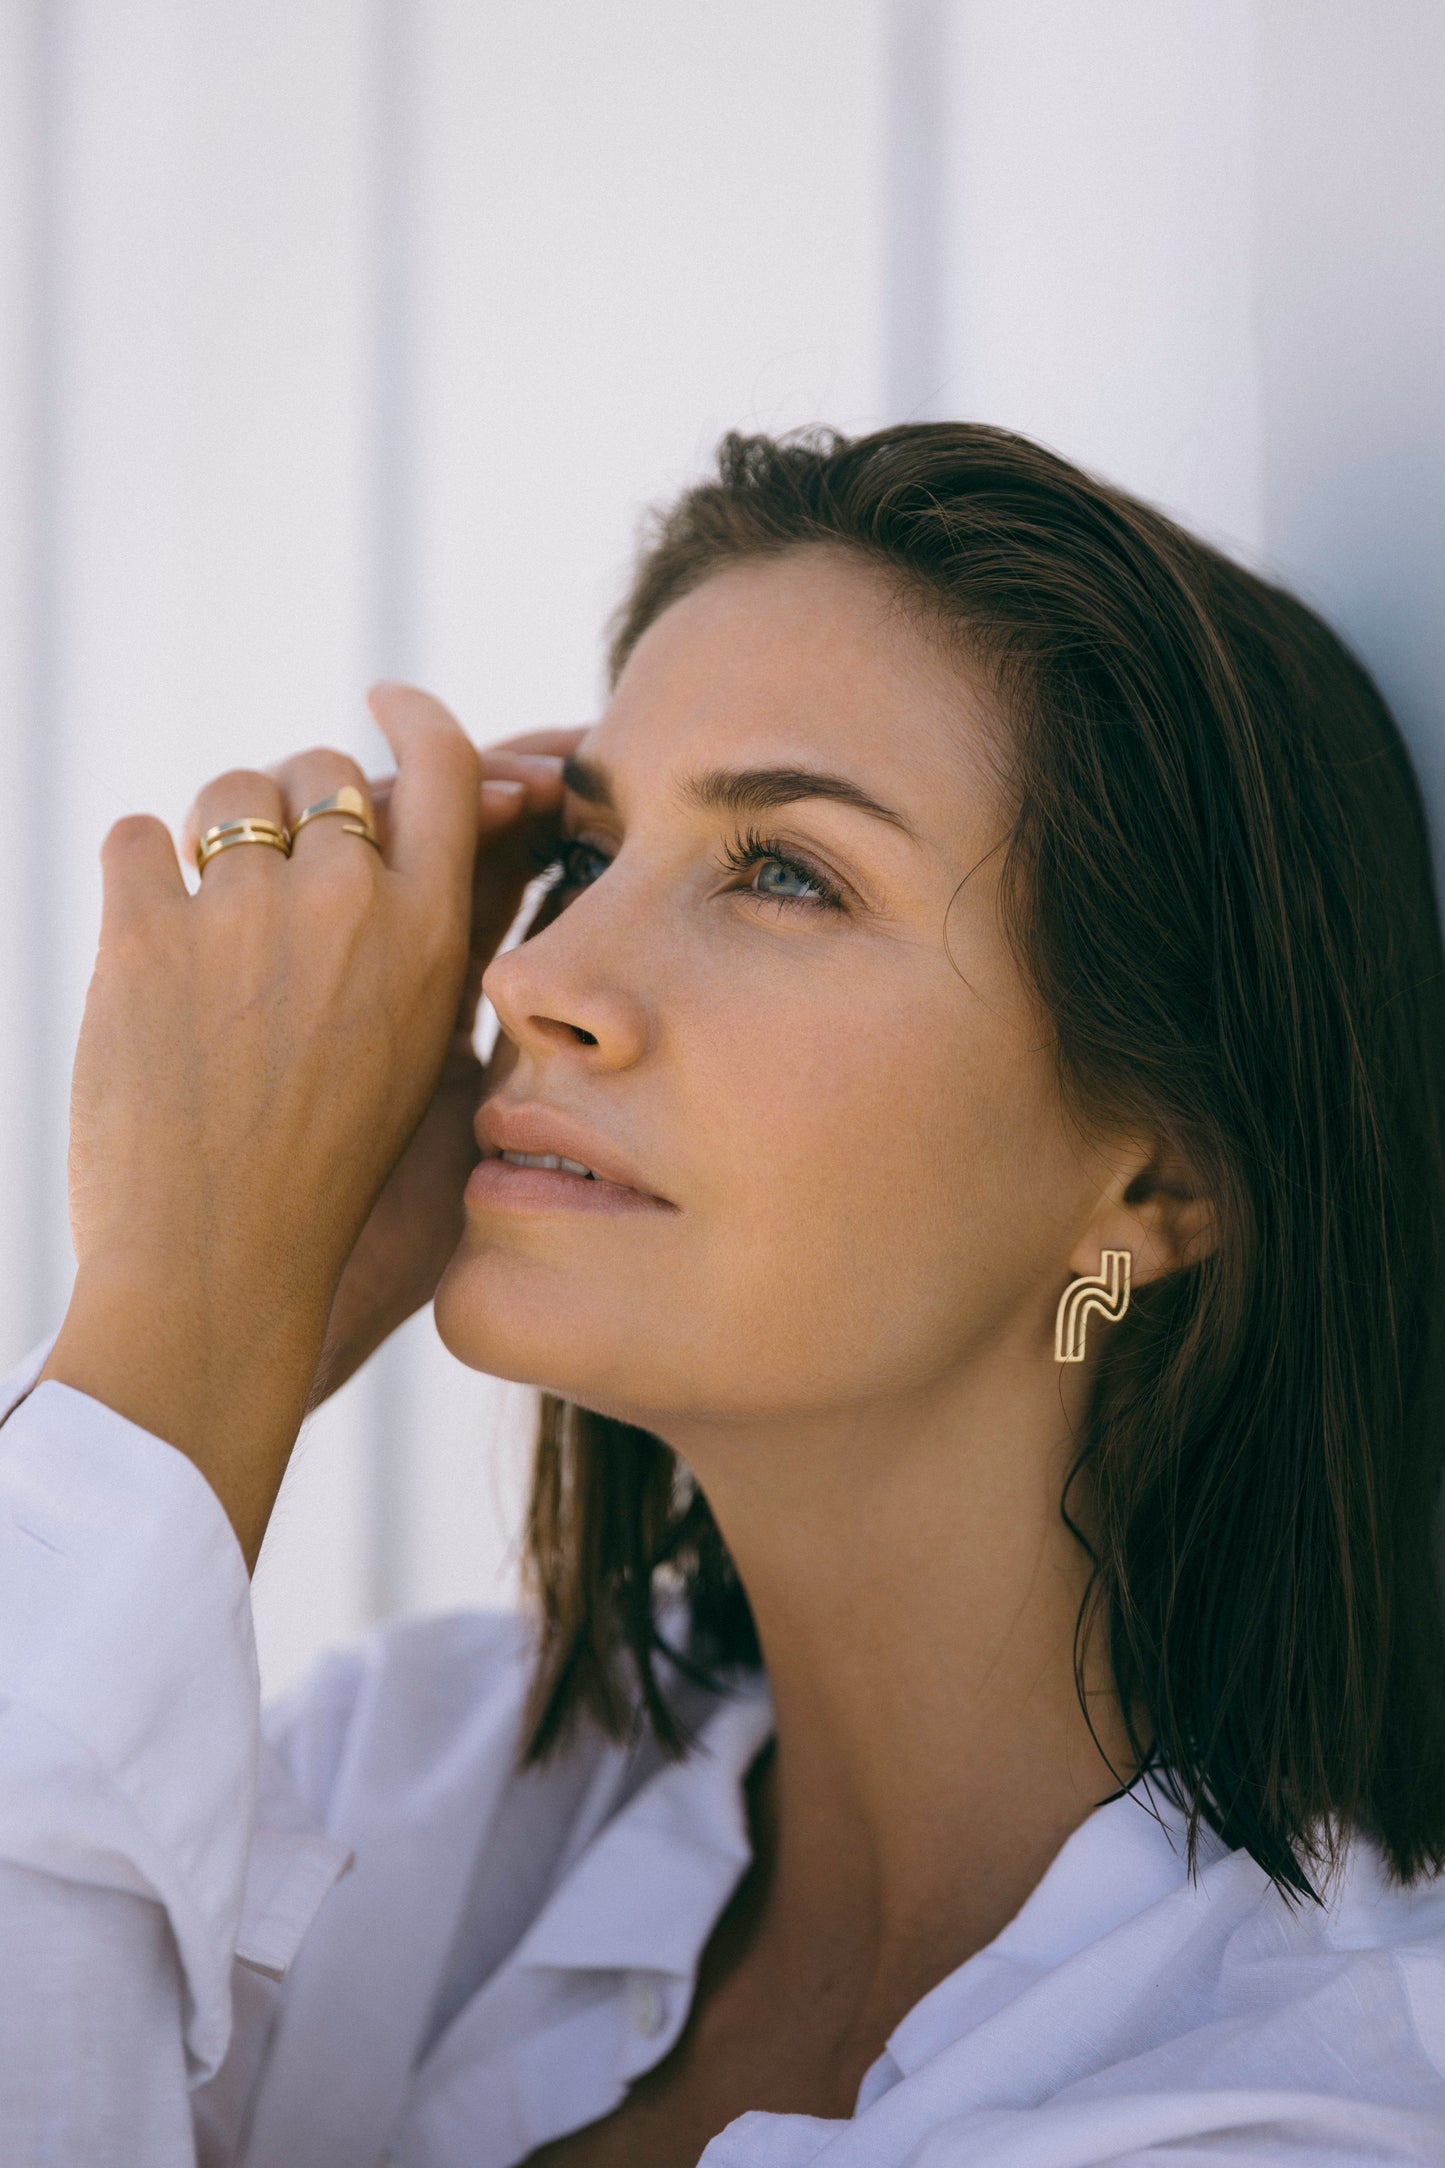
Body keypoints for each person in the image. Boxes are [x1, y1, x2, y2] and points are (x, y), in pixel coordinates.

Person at [2, 423, 1444, 2168]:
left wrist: (182, 1345)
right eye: (587, 854)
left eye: (782, 874)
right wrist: (244, 1341)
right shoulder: (422, 1781)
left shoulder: (1286, 2120)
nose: (533, 975)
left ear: (1151, 1185)